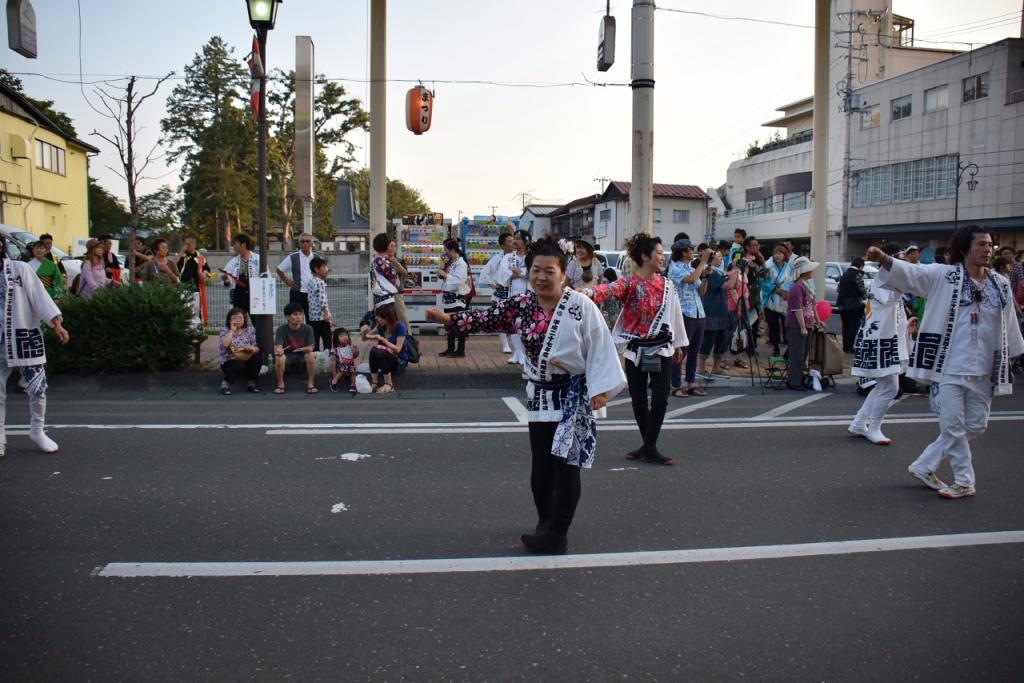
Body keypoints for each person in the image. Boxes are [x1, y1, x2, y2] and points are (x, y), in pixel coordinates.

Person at [425, 236, 626, 554]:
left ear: (563, 273)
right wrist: (450, 319)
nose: (541, 277)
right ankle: (545, 520)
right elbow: (484, 318)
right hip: (540, 395)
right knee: (541, 465)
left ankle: (557, 534)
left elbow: (600, 344)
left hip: (572, 394)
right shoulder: (521, 304)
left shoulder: (579, 305)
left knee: (565, 464)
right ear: (528, 272)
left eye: (549, 271)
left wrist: (600, 390)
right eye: (536, 270)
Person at [869, 226, 1024, 498]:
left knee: (976, 425)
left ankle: (924, 465)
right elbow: (913, 273)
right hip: (948, 367)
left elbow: (1009, 320)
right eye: (981, 245)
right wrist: (884, 259)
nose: (987, 250)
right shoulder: (945, 275)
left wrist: (1011, 355)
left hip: (984, 368)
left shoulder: (999, 284)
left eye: (990, 245)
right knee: (953, 426)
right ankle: (965, 481)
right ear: (964, 249)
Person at [584, 233, 687, 466]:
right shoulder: (629, 283)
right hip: (635, 348)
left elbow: (675, 313)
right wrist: (588, 293)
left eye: (662, 254)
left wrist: (679, 342)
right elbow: (608, 290)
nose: (662, 257)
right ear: (644, 256)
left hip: (662, 348)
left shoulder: (667, 285)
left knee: (661, 399)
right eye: (658, 253)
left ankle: (648, 447)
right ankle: (649, 447)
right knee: (639, 400)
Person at [0, 237, 71, 458]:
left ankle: (37, 430)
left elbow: (40, 297)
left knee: (38, 388)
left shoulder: (19, 268)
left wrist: (56, 324)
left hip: (24, 336)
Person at [849, 245, 910, 445]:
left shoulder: (890, 280)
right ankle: (873, 427)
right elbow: (891, 299)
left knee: (884, 385)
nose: (903, 264)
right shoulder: (882, 281)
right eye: (899, 259)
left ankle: (860, 422)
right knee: (891, 386)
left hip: (886, 339)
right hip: (880, 340)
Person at [668, 239, 710, 397]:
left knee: (694, 351)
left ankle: (691, 383)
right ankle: (676, 385)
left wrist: (705, 278)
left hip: (699, 313)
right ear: (684, 252)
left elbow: (701, 291)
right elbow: (691, 280)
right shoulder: (676, 269)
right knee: (681, 351)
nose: (693, 251)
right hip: (685, 314)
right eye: (690, 249)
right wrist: (703, 263)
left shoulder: (691, 268)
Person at [698, 249, 740, 378]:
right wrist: (736, 270)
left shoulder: (720, 272)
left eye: (721, 256)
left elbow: (735, 285)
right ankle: (701, 369)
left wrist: (737, 272)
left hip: (721, 310)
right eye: (718, 256)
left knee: (721, 339)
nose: (721, 258)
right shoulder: (711, 272)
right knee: (708, 339)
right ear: (710, 258)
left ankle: (716, 368)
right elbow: (729, 285)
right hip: (711, 311)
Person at [785, 256, 824, 391]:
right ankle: (794, 382)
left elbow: (813, 306)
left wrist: (818, 321)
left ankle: (798, 379)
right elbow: (797, 308)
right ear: (804, 271)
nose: (812, 272)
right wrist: (802, 326)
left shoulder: (806, 285)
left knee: (803, 354)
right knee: (798, 354)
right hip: (797, 325)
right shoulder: (797, 286)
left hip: (807, 324)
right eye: (810, 269)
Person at [478, 232, 515, 354]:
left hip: (515, 291)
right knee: (501, 319)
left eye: (513, 240)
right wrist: (492, 284)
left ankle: (518, 347)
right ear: (502, 245)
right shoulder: (497, 258)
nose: (513, 243)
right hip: (501, 293)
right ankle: (505, 345)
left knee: (515, 320)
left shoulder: (518, 257)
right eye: (509, 241)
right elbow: (485, 272)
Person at [436, 238, 471, 357]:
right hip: (449, 298)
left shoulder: (461, 263)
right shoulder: (452, 262)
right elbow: (449, 277)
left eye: (446, 250)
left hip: (457, 298)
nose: (445, 253)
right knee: (449, 324)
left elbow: (458, 281)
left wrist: (445, 275)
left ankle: (460, 350)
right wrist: (443, 274)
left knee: (459, 324)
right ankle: (450, 348)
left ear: (453, 250)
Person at [273, 302, 317, 395]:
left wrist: (306, 349)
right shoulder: (281, 329)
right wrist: (279, 350)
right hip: (288, 358)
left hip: (302, 357)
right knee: (279, 357)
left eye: (300, 314)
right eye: (295, 314)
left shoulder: (308, 328)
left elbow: (311, 347)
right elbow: (279, 347)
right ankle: (280, 384)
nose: (298, 317)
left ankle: (311, 384)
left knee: (311, 355)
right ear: (288, 317)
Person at [364, 303, 408, 393]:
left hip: (399, 361)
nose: (379, 320)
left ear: (388, 318)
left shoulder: (400, 327)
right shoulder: (380, 326)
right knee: (373, 350)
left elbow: (398, 349)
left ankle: (389, 384)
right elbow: (366, 337)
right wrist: (365, 331)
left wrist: (384, 341)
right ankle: (375, 382)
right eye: (378, 317)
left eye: (381, 318)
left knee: (380, 351)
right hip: (385, 360)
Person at [218, 307, 261, 395]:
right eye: (234, 318)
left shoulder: (248, 331)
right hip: (230, 362)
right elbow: (225, 344)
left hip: (246, 358)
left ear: (244, 320)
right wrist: (232, 331)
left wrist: (252, 349)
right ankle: (225, 384)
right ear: (229, 320)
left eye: (240, 318)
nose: (238, 320)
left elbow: (256, 348)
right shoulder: (225, 330)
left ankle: (251, 383)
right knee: (239, 364)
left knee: (257, 357)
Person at [276, 233, 318, 322]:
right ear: (299, 244)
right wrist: (287, 282)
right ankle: (294, 336)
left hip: (313, 294)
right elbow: (279, 269)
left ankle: (311, 336)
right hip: (297, 293)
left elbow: (324, 273)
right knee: (295, 320)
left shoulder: (317, 257)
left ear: (311, 243)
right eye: (302, 241)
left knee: (313, 320)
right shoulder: (293, 257)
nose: (305, 243)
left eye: (307, 241)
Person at [370, 234, 410, 326]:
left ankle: (404, 337)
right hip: (387, 296)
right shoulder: (383, 260)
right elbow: (395, 279)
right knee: (391, 322)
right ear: (386, 246)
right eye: (390, 245)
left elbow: (405, 274)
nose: (392, 248)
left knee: (399, 318)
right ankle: (403, 338)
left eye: (394, 246)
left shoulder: (376, 259)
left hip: (388, 295)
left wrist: (396, 262)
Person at [761, 244, 792, 356]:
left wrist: (786, 291)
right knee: (773, 325)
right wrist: (776, 289)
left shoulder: (790, 267)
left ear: (785, 255)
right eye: (776, 253)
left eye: (780, 253)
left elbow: (792, 281)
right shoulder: (769, 267)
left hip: (785, 299)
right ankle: (776, 348)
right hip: (772, 298)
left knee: (787, 325)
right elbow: (764, 282)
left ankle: (788, 348)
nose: (777, 256)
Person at [506, 231, 531, 364]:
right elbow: (504, 273)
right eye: (513, 238)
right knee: (515, 324)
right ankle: (518, 352)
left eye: (517, 239)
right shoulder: (509, 256)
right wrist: (517, 274)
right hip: (513, 293)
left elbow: (532, 273)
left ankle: (524, 353)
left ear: (525, 241)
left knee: (526, 324)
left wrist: (519, 273)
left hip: (529, 293)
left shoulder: (532, 256)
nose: (514, 241)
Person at [221, 234, 260, 314]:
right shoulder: (233, 261)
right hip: (239, 294)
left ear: (243, 244)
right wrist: (226, 280)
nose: (233, 246)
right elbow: (228, 279)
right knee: (238, 318)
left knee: (258, 320)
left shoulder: (258, 259)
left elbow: (266, 276)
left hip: (255, 293)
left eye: (235, 243)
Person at [837, 257, 868, 353]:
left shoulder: (844, 274)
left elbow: (839, 289)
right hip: (855, 305)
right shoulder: (858, 275)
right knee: (853, 327)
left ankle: (845, 346)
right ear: (861, 266)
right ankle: (849, 347)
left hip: (842, 305)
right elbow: (862, 291)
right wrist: (866, 297)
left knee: (845, 327)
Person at [307, 256, 332, 351]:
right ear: (316, 269)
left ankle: (315, 360)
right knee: (327, 340)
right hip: (322, 317)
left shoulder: (310, 282)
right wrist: (326, 314)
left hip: (313, 317)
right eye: (324, 267)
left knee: (315, 341)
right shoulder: (320, 282)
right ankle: (328, 360)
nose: (327, 269)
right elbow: (322, 299)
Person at [329, 327, 359, 394]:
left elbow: (355, 356)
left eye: (346, 335)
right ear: (336, 338)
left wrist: (356, 352)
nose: (345, 337)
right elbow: (333, 362)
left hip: (350, 364)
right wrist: (334, 373)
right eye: (341, 336)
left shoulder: (351, 346)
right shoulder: (336, 349)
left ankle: (352, 384)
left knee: (353, 369)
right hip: (339, 366)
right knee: (345, 367)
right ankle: (334, 380)